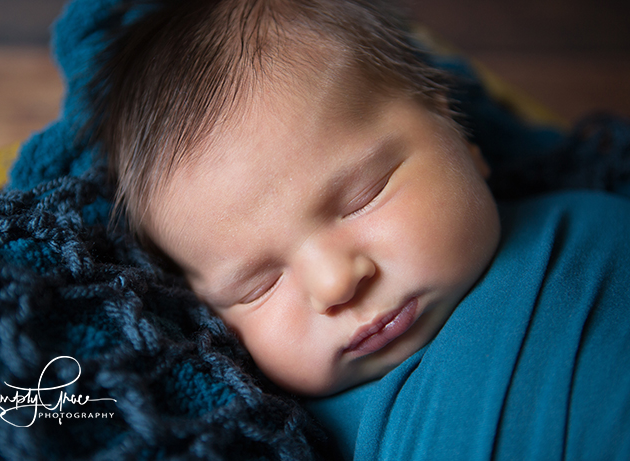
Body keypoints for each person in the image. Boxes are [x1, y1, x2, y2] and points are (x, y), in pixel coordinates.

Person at [90, 0, 630, 458]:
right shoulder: (300, 431)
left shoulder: (597, 216)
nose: (335, 283)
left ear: (456, 131)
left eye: (363, 197)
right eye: (259, 284)